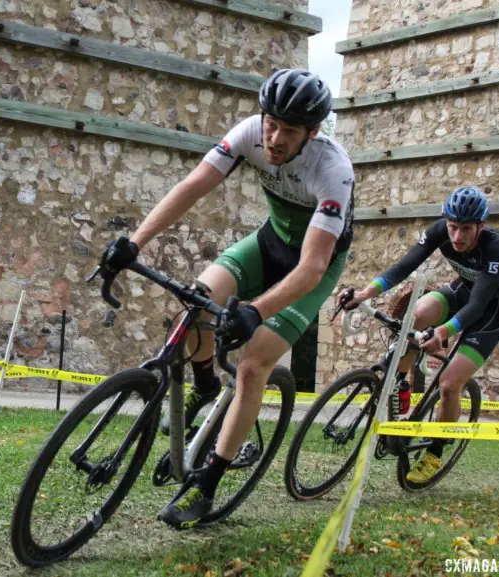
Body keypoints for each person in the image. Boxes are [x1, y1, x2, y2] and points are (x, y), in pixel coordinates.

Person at [99, 69, 355, 529]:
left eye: (290, 131)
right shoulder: (250, 133)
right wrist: (133, 242)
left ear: (313, 133)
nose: (275, 138)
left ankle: (207, 481)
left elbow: (313, 267)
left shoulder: (333, 171)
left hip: (311, 268)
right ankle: (205, 384)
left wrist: (257, 311)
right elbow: (193, 186)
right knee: (197, 300)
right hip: (268, 244)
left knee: (255, 362)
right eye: (271, 124)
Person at [342, 186, 499, 482]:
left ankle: (434, 453)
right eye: (452, 228)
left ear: (480, 227)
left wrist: (442, 332)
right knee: (418, 312)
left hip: (490, 313)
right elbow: (404, 266)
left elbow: (478, 306)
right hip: (461, 293)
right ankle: (399, 386)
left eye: (465, 229)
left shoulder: (496, 248)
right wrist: (364, 293)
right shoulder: (440, 231)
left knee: (449, 384)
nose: (457, 237)